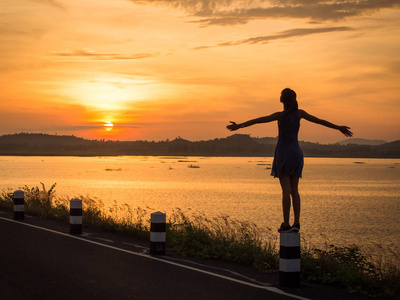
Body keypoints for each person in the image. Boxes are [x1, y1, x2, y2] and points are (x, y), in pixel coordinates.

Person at [227, 88, 353, 233]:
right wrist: (339, 128)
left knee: (286, 190)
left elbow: (258, 120)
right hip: (296, 153)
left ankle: (286, 223)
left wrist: (239, 126)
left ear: (282, 100)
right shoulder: (300, 114)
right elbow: (319, 121)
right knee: (295, 190)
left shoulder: (280, 115)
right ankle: (297, 223)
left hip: (284, 153)